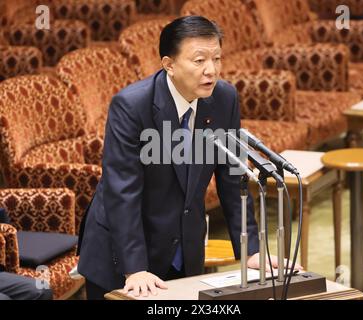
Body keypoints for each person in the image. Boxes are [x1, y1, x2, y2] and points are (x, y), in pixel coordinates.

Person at [77, 15, 295, 300]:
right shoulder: (132, 106)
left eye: (217, 59)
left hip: (184, 248)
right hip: (123, 253)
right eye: (199, 60)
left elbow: (232, 179)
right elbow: (123, 191)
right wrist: (135, 268)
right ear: (169, 64)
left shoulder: (224, 99)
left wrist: (251, 251)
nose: (211, 70)